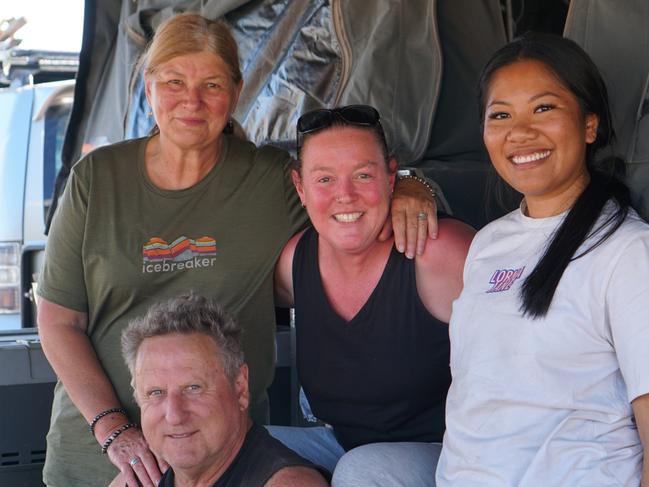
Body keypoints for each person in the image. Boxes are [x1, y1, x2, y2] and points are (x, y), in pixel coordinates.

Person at [36, 13, 437, 487]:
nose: (192, 101)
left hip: (225, 461)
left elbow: (347, 199)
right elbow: (59, 320)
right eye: (174, 82)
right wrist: (113, 428)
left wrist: (411, 185)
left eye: (211, 84)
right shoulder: (96, 180)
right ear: (148, 88)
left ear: (237, 91)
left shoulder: (270, 180)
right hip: (102, 453)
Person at [436, 32, 649, 486]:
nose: (520, 132)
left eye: (544, 108)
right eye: (501, 115)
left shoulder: (628, 250)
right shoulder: (487, 245)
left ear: (589, 124)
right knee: (367, 469)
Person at [268, 105, 475, 485]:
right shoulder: (295, 260)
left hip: (448, 455)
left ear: (391, 176)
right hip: (341, 444)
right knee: (235, 452)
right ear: (300, 187)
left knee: (362, 470)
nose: (345, 195)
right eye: (325, 179)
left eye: (363, 175)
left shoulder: (439, 251)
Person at [108, 294, 329, 487]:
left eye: (193, 388)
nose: (174, 415)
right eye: (156, 392)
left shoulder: (288, 484)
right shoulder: (133, 480)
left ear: (240, 388)